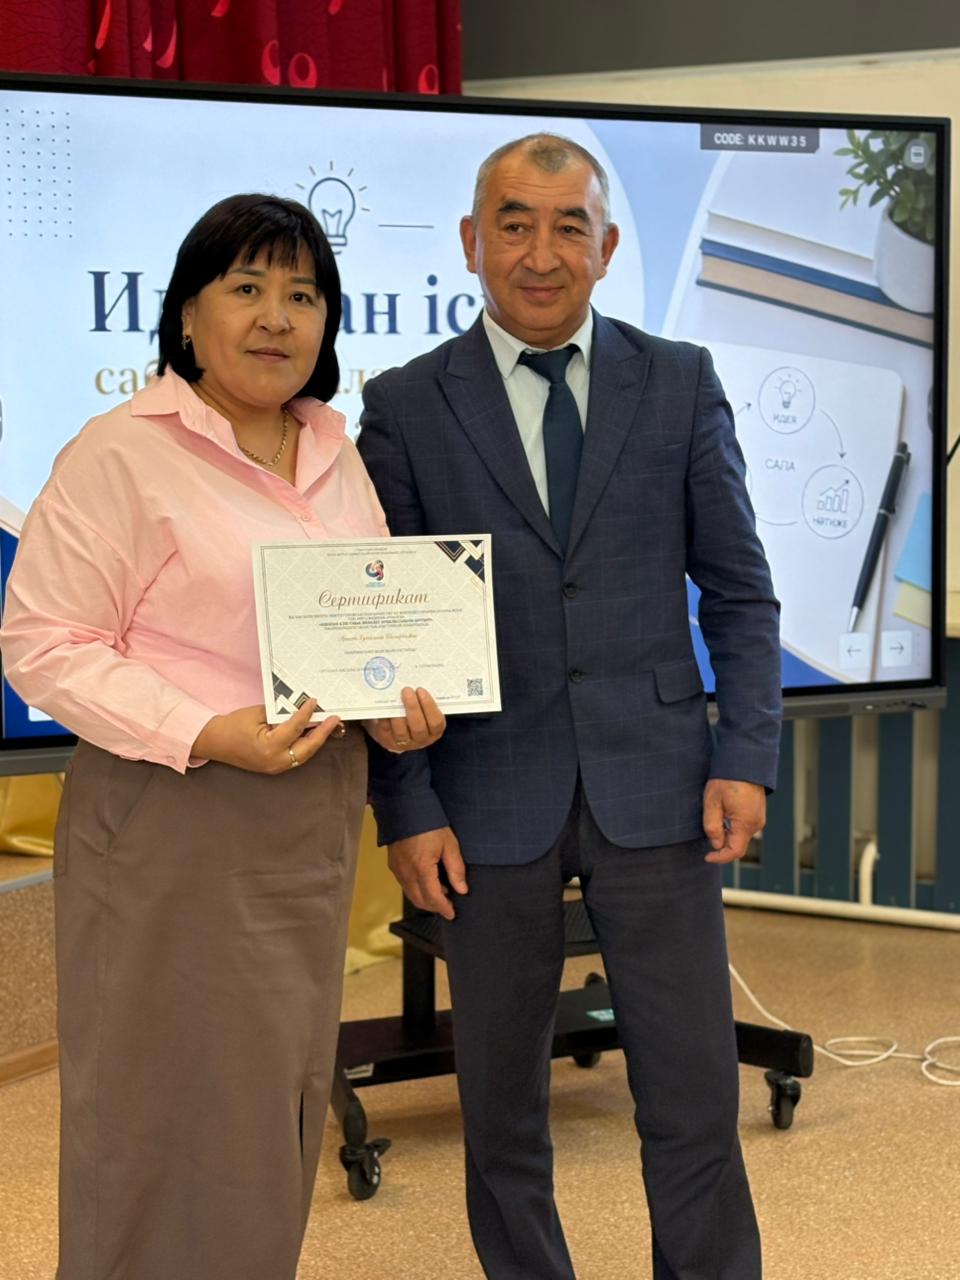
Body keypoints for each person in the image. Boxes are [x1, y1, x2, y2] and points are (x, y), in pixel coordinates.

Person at [357, 135, 782, 1279]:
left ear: (607, 244)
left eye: (567, 227)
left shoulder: (678, 380)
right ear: (471, 241)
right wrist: (406, 804)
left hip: (663, 784)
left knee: (693, 1096)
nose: (539, 253)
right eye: (514, 223)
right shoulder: (405, 406)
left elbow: (739, 589)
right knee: (501, 1114)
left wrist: (745, 751)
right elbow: (382, 631)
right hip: (481, 798)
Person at [0, 193, 445, 1280]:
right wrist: (203, 727)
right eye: (246, 287)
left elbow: (357, 626)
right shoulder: (121, 452)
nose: (276, 317)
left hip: (310, 822)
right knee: (157, 1114)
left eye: (303, 294)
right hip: (171, 818)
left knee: (270, 1111)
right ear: (187, 315)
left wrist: (394, 705)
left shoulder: (333, 451)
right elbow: (43, 642)